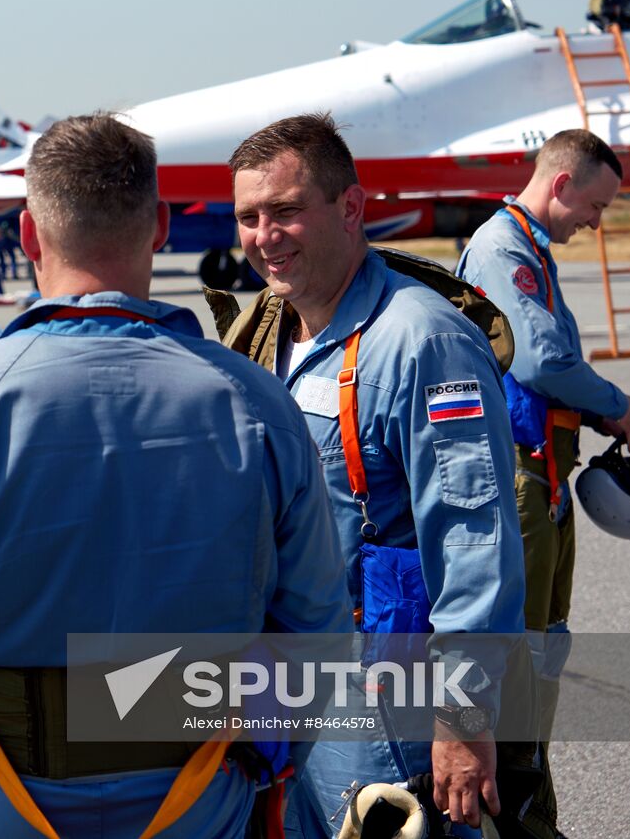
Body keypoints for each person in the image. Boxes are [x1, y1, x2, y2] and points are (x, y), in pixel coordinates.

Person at [0, 114, 353, 838]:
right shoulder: (260, 403)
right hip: (196, 792)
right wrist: (252, 753)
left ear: (29, 236)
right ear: (160, 226)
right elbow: (318, 633)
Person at [224, 114, 526, 837]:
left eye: (288, 211)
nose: (266, 236)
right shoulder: (274, 334)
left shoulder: (422, 343)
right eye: (250, 217)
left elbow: (473, 539)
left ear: (352, 208)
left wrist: (462, 716)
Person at [456, 129, 630, 837]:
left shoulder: (527, 249)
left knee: (544, 648)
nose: (596, 223)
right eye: (596, 206)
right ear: (562, 185)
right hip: (518, 476)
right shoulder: (502, 250)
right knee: (521, 657)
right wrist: (619, 407)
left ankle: (529, 814)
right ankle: (512, 820)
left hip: (545, 474)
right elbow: (539, 360)